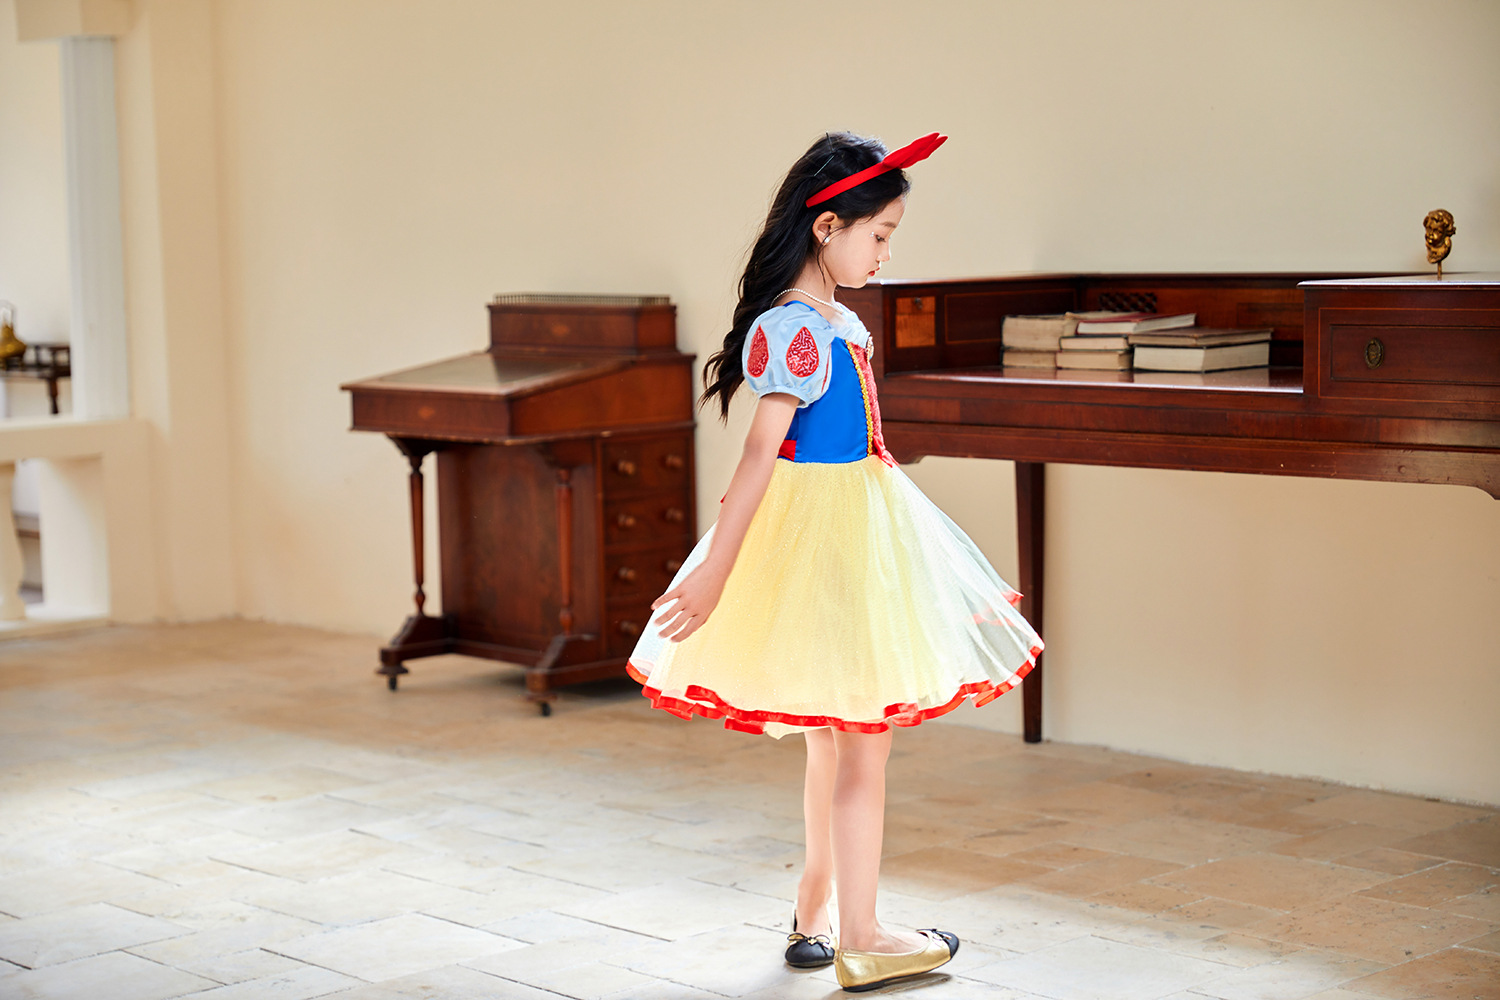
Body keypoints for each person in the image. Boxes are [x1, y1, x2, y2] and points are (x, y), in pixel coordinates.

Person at [626, 131, 1043, 993]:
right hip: (834, 541)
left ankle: (814, 912)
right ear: (827, 227)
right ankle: (866, 935)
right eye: (879, 235)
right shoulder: (797, 330)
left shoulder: (826, 322)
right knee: (863, 747)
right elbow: (760, 456)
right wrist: (714, 571)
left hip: (849, 532)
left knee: (833, 736)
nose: (886, 255)